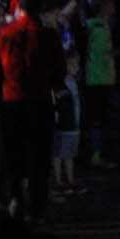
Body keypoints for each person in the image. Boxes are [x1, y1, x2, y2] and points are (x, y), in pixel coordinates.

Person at [0, 0, 49, 216]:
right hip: (40, 101)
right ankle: (37, 207)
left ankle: (16, 200)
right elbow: (58, 69)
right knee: (39, 157)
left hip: (11, 101)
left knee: (13, 154)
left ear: (19, 7)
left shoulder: (4, 34)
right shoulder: (46, 34)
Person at [81, 0, 118, 167]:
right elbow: (102, 53)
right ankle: (96, 154)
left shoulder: (93, 26)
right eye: (110, 4)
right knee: (98, 119)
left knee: (98, 119)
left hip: (97, 77)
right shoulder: (99, 27)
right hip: (98, 78)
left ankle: (96, 153)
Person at [50, 48, 83, 195]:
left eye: (77, 65)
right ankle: (59, 181)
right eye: (72, 65)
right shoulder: (61, 83)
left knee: (69, 154)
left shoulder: (72, 82)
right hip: (64, 126)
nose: (75, 68)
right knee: (59, 153)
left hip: (73, 126)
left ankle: (70, 179)